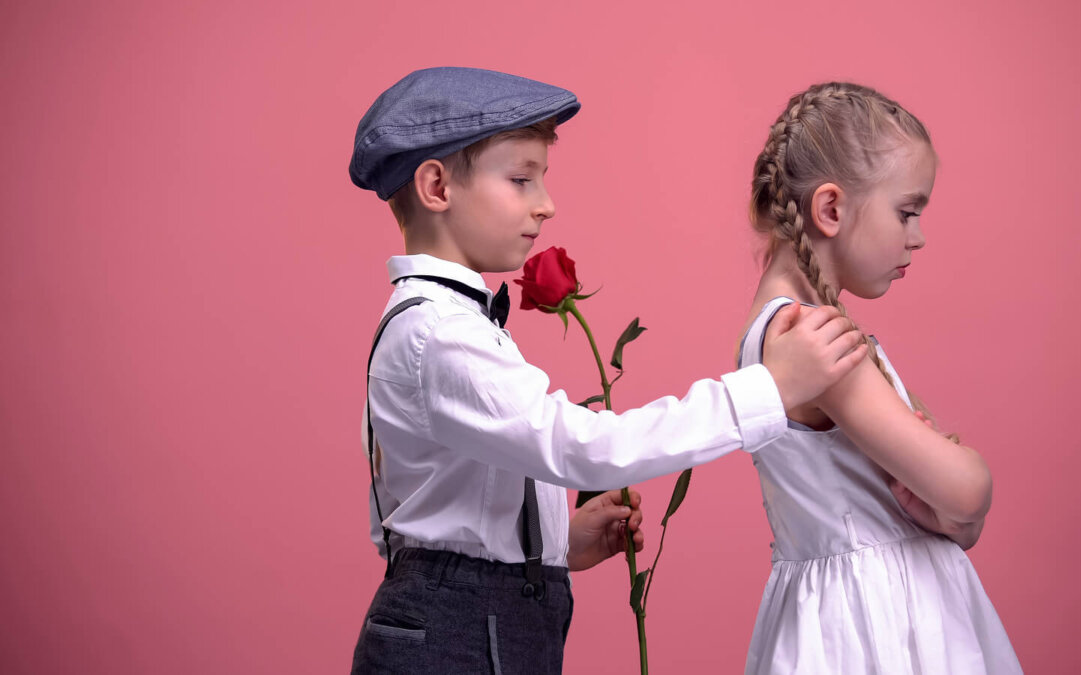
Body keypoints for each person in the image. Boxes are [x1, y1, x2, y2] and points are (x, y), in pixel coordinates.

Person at [346, 67, 868, 674]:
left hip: (484, 617)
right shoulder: (437, 332)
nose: (546, 205)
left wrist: (555, 545)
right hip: (454, 633)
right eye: (521, 179)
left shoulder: (448, 323)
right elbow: (581, 446)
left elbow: (454, 496)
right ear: (436, 186)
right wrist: (768, 390)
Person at [736, 82, 1022, 673]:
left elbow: (951, 512)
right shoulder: (814, 341)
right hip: (873, 626)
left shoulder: (810, 331)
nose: (917, 236)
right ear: (831, 209)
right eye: (907, 211)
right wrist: (961, 484)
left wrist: (949, 514)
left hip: (869, 605)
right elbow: (967, 490)